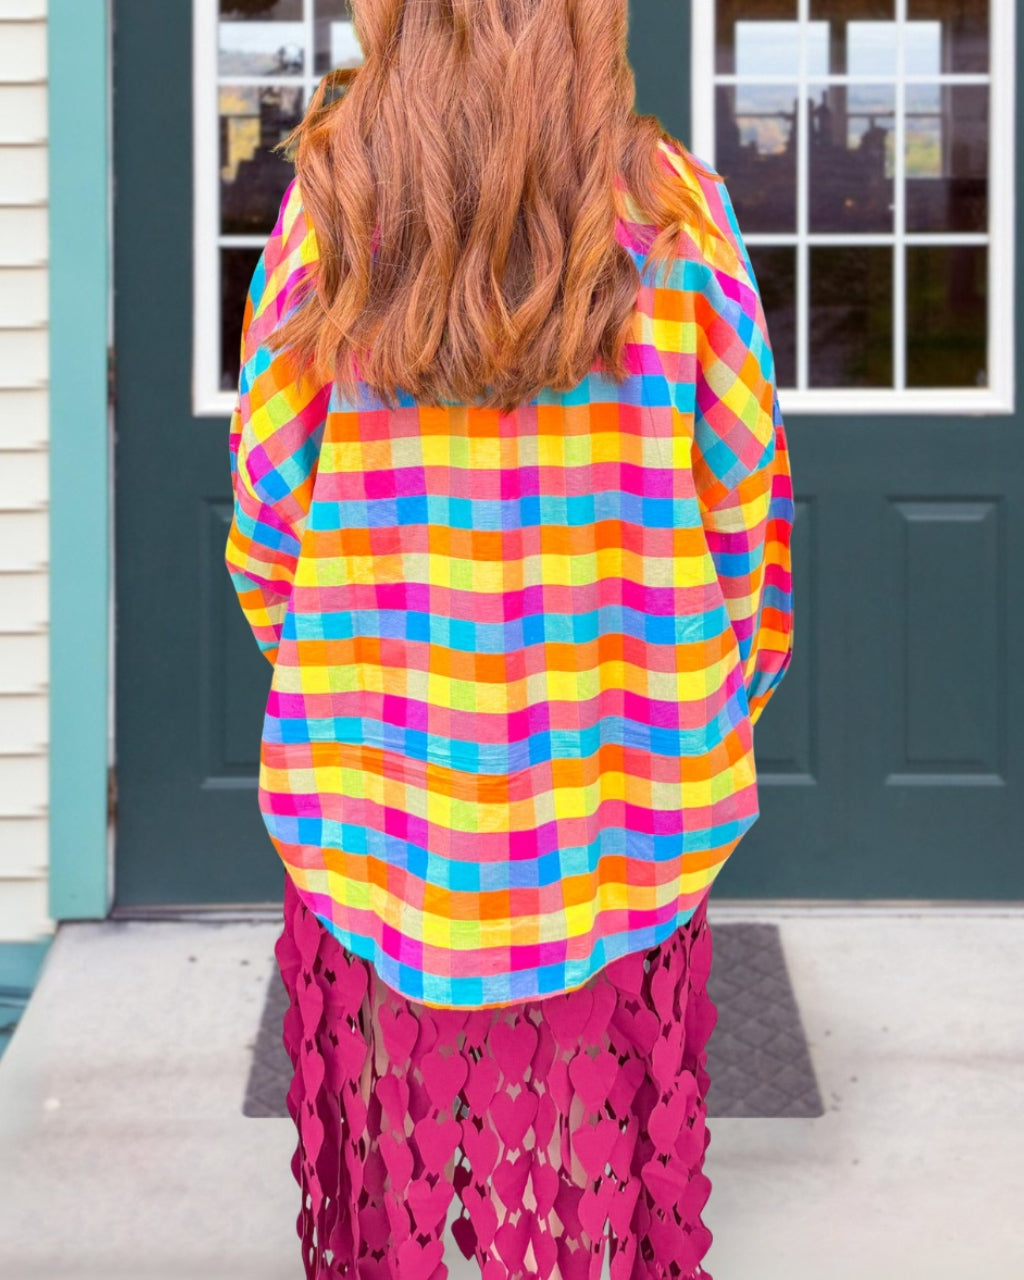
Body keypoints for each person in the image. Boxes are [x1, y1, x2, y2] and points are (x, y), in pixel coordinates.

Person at [224, 3, 794, 1278]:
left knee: (393, 1162)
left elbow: (267, 531)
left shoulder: (328, 210)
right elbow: (746, 524)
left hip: (380, 798)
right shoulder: (677, 215)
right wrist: (701, 704)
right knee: (597, 1162)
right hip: (622, 795)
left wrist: (352, 686)